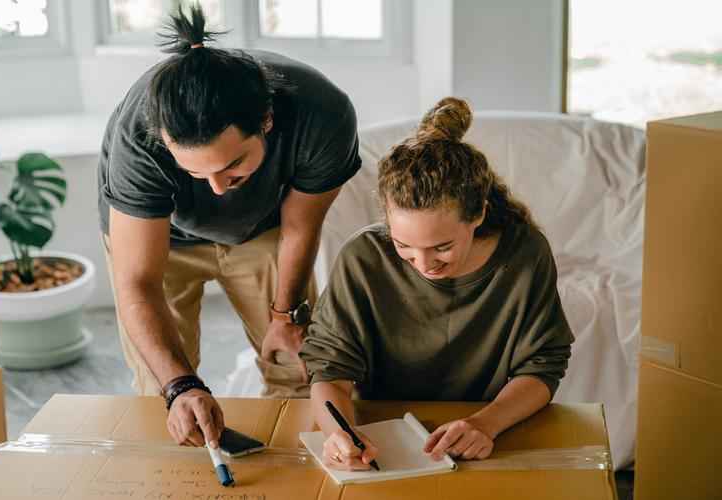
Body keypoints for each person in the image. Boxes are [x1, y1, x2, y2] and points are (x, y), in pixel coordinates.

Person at [98, 4, 361, 449]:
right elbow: (138, 281)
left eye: (233, 165)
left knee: (296, 368)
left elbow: (300, 229)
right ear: (163, 141)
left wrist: (283, 316)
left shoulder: (323, 115)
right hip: (160, 239)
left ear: (267, 121)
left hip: (264, 230)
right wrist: (181, 386)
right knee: (164, 391)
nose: (218, 189)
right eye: (197, 174)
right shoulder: (136, 140)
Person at [300, 97, 574, 470]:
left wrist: (486, 423)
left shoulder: (524, 253)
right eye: (403, 246)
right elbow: (330, 368)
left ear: (477, 213)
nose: (424, 264)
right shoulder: (363, 257)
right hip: (381, 439)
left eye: (442, 247)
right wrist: (341, 432)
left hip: (486, 433)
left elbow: (543, 366)